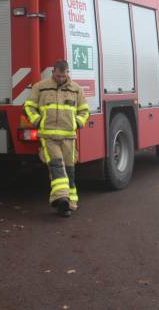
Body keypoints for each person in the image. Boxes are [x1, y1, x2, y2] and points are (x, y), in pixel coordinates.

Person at [24, 60, 90, 217]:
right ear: (53, 72)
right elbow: (29, 106)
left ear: (68, 73)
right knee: (56, 166)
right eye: (58, 75)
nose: (60, 78)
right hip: (48, 136)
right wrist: (38, 121)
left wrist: (78, 123)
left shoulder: (76, 89)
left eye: (63, 75)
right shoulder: (40, 87)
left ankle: (71, 202)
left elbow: (84, 110)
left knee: (70, 170)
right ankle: (61, 200)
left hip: (68, 137)